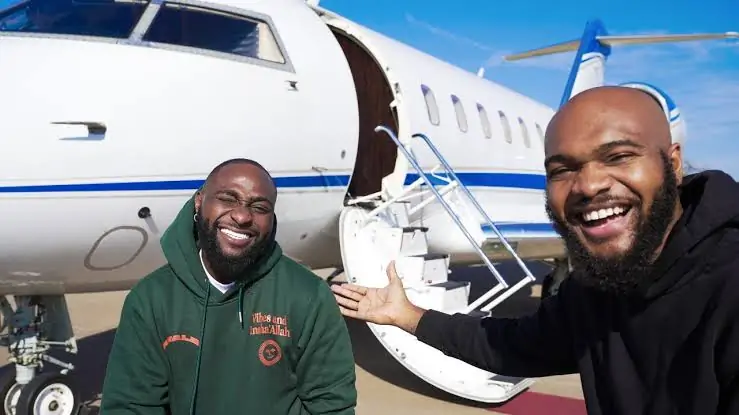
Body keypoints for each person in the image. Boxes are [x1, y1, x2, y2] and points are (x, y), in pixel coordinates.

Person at [331, 86, 739, 415]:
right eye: (562, 169)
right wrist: (409, 316)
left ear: (674, 164)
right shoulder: (595, 290)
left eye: (618, 156)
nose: (588, 185)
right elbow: (509, 346)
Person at [100, 158, 357, 415]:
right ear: (199, 201)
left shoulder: (308, 297)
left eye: (259, 207)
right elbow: (130, 406)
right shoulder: (152, 299)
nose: (242, 216)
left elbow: (332, 408)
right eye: (227, 199)